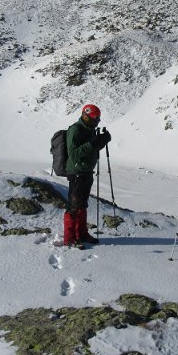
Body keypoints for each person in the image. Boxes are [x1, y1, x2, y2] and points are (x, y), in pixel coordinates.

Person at [63, 104, 111, 249]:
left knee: (82, 205)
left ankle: (82, 234)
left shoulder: (89, 130)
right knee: (73, 206)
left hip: (87, 172)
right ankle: (69, 237)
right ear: (86, 116)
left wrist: (101, 141)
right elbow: (74, 154)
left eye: (98, 118)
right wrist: (92, 143)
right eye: (96, 118)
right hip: (77, 173)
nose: (98, 121)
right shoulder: (75, 130)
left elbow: (91, 149)